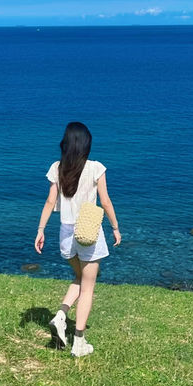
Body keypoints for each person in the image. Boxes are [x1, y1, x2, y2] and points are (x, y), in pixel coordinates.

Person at [34, 122, 121, 357]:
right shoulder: (95, 168)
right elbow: (105, 201)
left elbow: (50, 202)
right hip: (88, 232)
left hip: (65, 233)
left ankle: (61, 316)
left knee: (80, 277)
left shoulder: (58, 168)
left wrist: (41, 229)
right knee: (89, 286)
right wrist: (115, 227)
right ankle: (79, 342)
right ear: (86, 144)